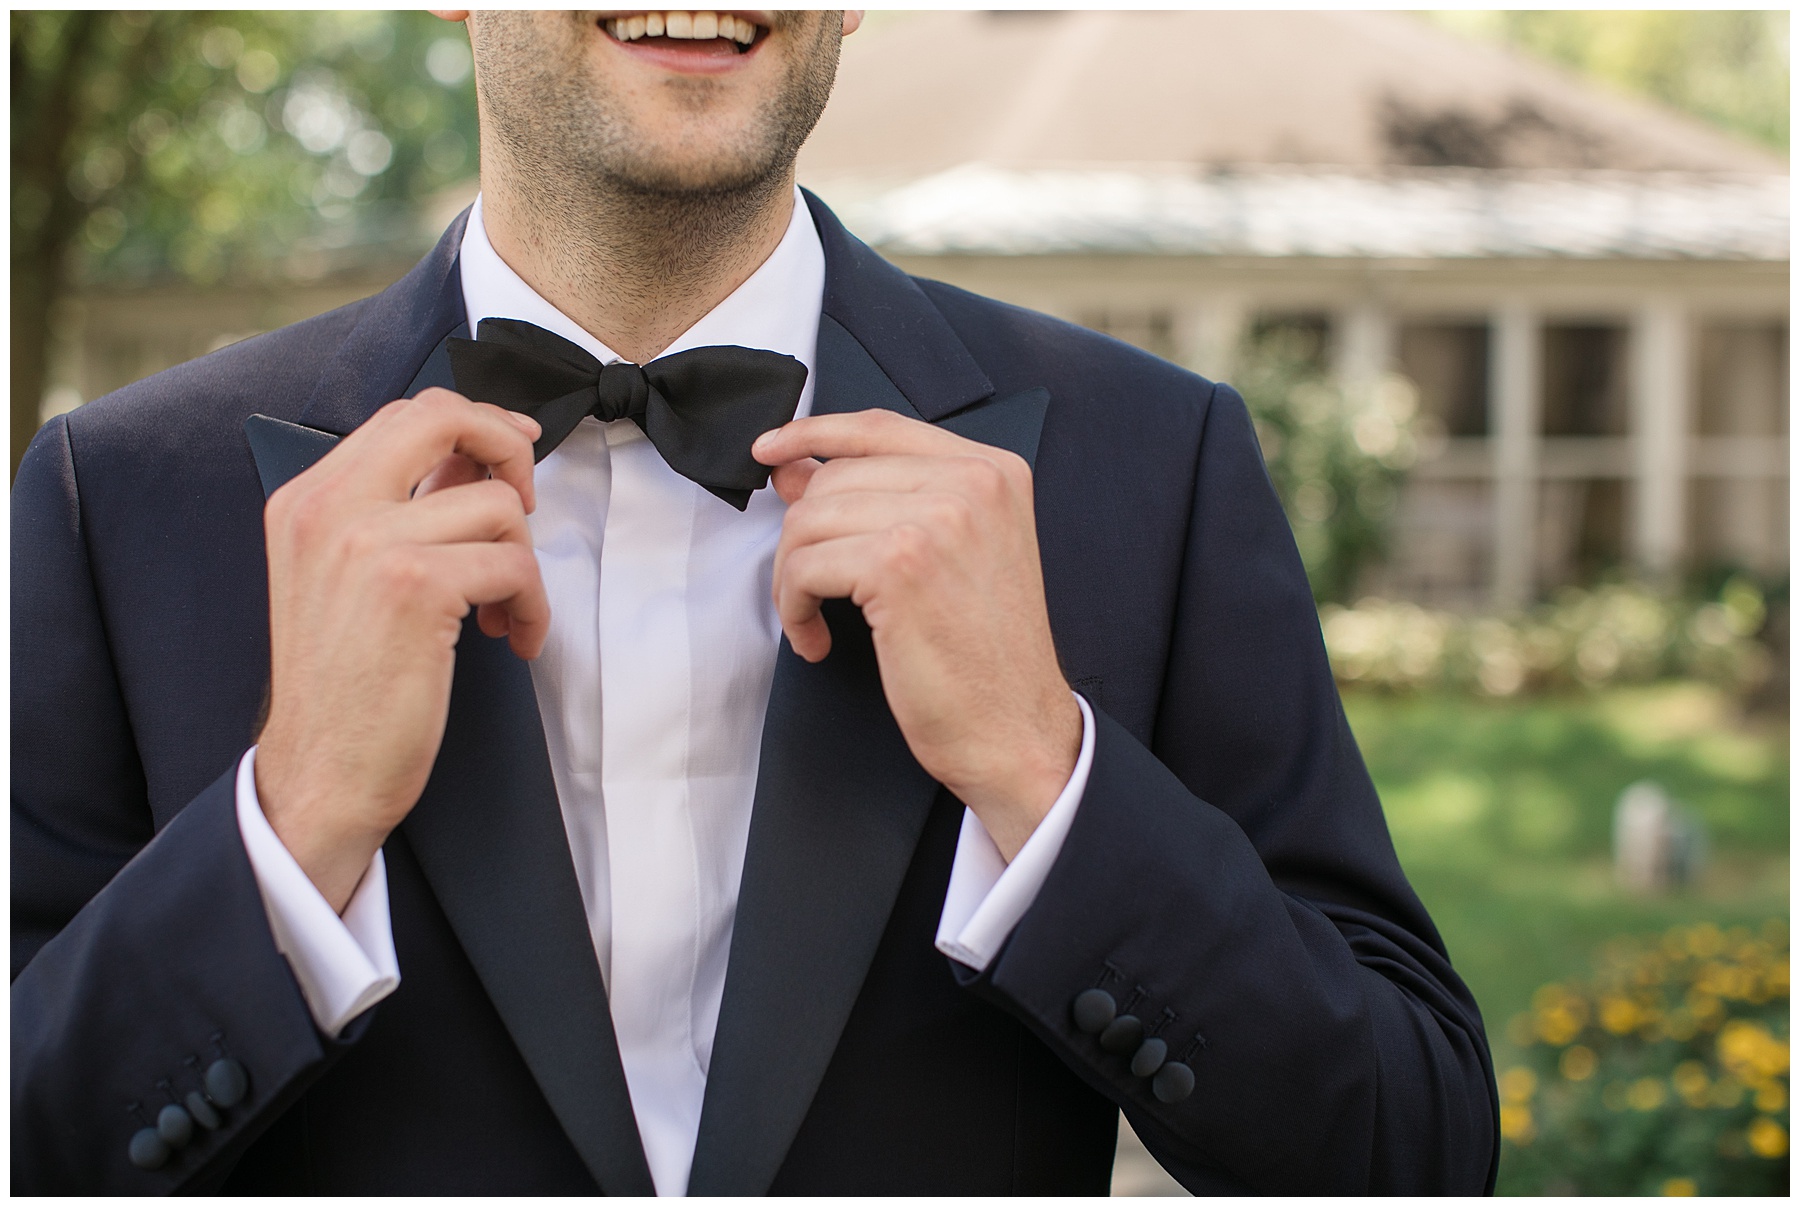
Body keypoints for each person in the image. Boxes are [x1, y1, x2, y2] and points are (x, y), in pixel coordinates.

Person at [11, 9, 1497, 1194]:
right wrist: (291, 823)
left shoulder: (1151, 464)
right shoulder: (120, 495)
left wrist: (1051, 781)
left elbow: (1409, 1151)